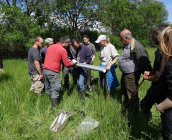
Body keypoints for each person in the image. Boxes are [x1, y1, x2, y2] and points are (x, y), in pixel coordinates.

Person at [118, 29, 152, 115]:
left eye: (121, 39)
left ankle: (134, 115)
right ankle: (129, 110)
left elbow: (144, 61)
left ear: (126, 38)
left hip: (131, 74)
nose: (120, 41)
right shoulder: (128, 45)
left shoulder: (137, 46)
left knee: (132, 95)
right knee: (124, 92)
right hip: (126, 73)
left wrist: (146, 73)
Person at [140, 23, 169, 121]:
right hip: (156, 86)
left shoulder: (165, 52)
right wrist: (150, 73)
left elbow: (159, 76)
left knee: (165, 113)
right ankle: (144, 123)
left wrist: (147, 77)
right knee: (145, 104)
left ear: (161, 35)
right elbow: (156, 69)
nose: (152, 38)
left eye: (154, 35)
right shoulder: (160, 48)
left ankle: (165, 132)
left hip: (163, 87)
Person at [43, 35, 77, 109]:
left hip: (45, 71)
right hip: (53, 72)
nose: (68, 45)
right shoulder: (63, 50)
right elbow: (67, 64)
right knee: (55, 90)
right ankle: (54, 111)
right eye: (68, 43)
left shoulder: (50, 47)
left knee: (48, 89)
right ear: (65, 42)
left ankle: (47, 105)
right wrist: (73, 62)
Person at [155, 25, 172, 140]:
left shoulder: (170, 64)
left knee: (168, 135)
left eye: (163, 42)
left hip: (169, 110)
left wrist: (160, 106)